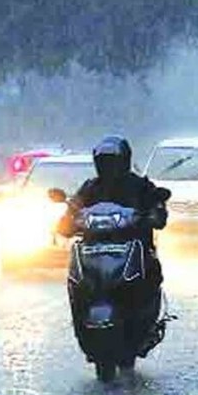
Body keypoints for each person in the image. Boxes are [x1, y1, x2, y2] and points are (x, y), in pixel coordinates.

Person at [58, 136, 169, 371]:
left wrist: (154, 211)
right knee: (75, 277)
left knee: (152, 267)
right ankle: (81, 315)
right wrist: (67, 219)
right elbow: (70, 215)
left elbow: (158, 211)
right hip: (93, 248)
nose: (109, 167)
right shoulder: (90, 188)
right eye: (104, 162)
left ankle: (145, 316)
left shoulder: (139, 186)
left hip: (132, 245)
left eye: (113, 161)